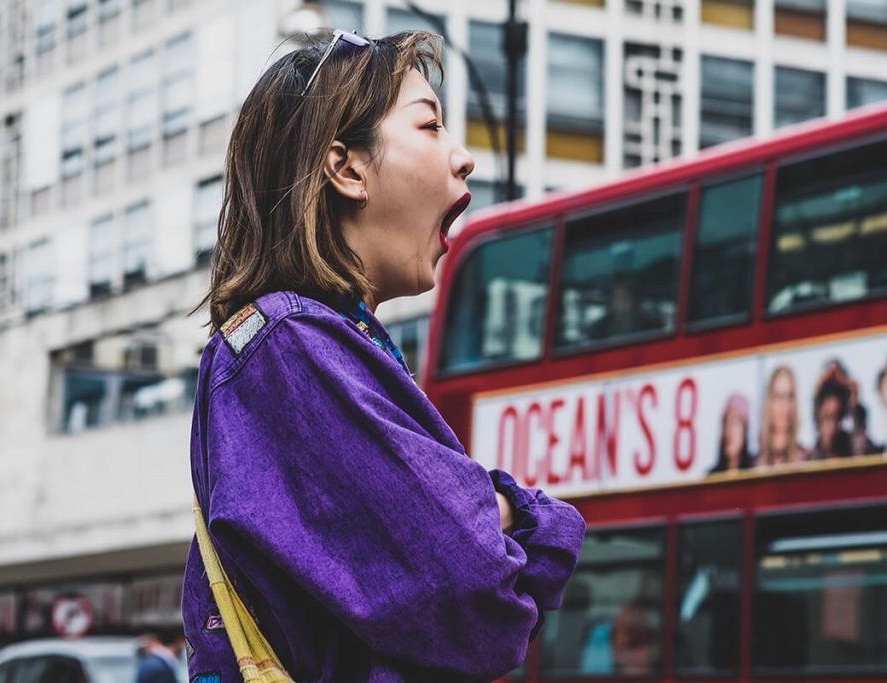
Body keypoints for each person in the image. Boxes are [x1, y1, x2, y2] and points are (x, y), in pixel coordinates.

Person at [180, 29, 585, 683]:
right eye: (429, 126)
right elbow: (480, 598)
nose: (464, 159)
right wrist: (523, 511)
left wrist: (486, 509)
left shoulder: (299, 344)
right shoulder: (291, 346)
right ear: (346, 169)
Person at [757, 365, 807, 467]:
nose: (784, 405)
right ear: (768, 401)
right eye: (778, 396)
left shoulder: (808, 458)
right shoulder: (753, 463)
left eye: (789, 397)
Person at [808, 377, 853, 461]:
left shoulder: (853, 450)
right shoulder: (810, 458)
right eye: (827, 417)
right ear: (817, 416)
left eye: (837, 417)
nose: (832, 425)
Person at [709, 394, 753, 473]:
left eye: (734, 422)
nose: (729, 430)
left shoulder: (755, 474)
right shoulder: (711, 477)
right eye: (725, 422)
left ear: (745, 429)